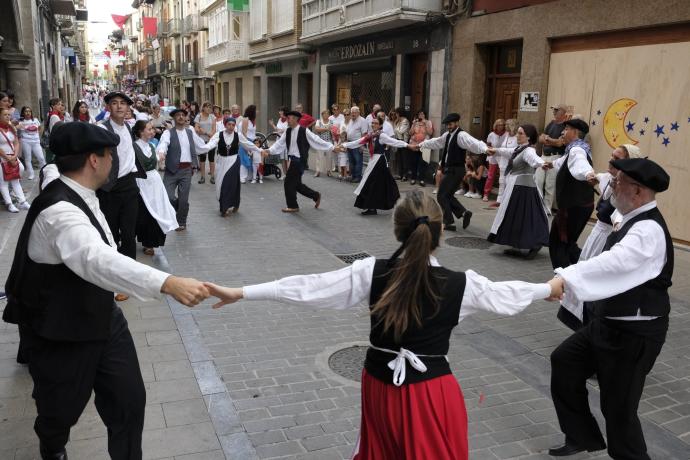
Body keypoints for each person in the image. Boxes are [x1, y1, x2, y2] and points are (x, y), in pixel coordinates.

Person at [203, 190, 563, 460]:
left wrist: (242, 291)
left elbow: (309, 287)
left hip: (379, 385)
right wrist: (547, 287)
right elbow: (508, 294)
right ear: (438, 235)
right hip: (431, 391)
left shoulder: (370, 272)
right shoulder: (463, 283)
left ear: (396, 231)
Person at [2, 121, 211, 460]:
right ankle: (52, 446)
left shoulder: (76, 187)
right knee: (60, 411)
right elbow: (95, 258)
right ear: (94, 161)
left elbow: (54, 171)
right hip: (62, 331)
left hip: (104, 320)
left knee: (129, 402)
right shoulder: (59, 213)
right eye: (110, 155)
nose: (115, 161)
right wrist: (168, 282)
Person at [546, 158, 672, 459]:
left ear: (638, 190)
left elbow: (615, 262)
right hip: (607, 323)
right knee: (564, 362)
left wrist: (567, 277)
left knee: (619, 409)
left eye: (618, 182)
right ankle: (581, 435)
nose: (612, 185)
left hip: (634, 332)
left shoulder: (648, 230)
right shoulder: (629, 214)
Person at [558, 144, 642, 330]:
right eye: (612, 156)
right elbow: (590, 174)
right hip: (597, 233)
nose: (611, 160)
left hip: (609, 237)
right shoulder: (606, 179)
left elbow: (623, 210)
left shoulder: (627, 188)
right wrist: (589, 175)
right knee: (585, 271)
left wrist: (618, 223)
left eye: (617, 158)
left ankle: (593, 320)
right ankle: (578, 318)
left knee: (596, 277)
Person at [96, 92, 147, 302]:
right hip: (109, 187)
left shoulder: (128, 127)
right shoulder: (101, 129)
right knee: (110, 235)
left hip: (129, 185)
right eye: (114, 103)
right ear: (108, 107)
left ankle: (127, 280)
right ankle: (111, 279)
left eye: (123, 104)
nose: (119, 107)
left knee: (128, 233)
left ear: (128, 108)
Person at [412, 113, 488, 231]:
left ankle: (449, 222)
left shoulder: (461, 135)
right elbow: (436, 142)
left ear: (457, 123)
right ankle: (464, 213)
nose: (449, 126)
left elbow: (473, 143)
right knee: (447, 195)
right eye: (447, 124)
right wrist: (421, 144)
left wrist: (485, 149)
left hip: (456, 170)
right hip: (450, 169)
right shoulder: (447, 135)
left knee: (441, 195)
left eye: (451, 124)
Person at [487, 124, 549, 258]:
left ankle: (532, 243)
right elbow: (507, 151)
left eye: (521, 133)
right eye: (518, 133)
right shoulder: (519, 149)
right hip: (517, 187)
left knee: (523, 217)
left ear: (528, 136)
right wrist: (495, 150)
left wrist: (542, 164)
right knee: (517, 216)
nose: (517, 135)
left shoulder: (528, 151)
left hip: (523, 189)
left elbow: (534, 159)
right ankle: (519, 244)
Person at [545, 118, 596, 270]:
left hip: (573, 207)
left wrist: (588, 174)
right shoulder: (577, 148)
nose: (562, 132)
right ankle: (584, 270)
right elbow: (565, 161)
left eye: (566, 129)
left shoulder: (577, 150)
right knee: (568, 243)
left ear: (575, 132)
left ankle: (563, 281)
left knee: (558, 243)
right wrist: (552, 164)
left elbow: (580, 163)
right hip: (580, 205)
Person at [338, 115, 409, 215]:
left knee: (379, 184)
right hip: (373, 161)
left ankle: (388, 204)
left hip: (379, 162)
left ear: (380, 125)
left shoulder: (382, 135)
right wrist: (344, 145)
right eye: (372, 123)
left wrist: (407, 145)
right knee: (378, 184)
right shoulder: (370, 136)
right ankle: (374, 207)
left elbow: (394, 142)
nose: (373, 124)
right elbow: (358, 142)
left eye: (376, 123)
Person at [262, 111, 331, 213]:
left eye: (289, 118)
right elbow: (280, 143)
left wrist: (332, 147)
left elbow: (316, 140)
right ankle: (315, 195)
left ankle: (293, 206)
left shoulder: (304, 131)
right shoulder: (288, 131)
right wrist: (270, 150)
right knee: (296, 184)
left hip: (299, 161)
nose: (287, 120)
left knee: (288, 182)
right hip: (293, 159)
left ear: (295, 119)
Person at [156, 108, 212, 231]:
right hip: (171, 170)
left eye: (183, 115)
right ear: (174, 118)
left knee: (183, 199)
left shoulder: (190, 132)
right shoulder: (168, 133)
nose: (181, 117)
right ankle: (178, 208)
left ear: (186, 118)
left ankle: (181, 221)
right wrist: (161, 152)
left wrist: (214, 142)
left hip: (186, 170)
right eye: (178, 115)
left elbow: (201, 146)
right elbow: (163, 144)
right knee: (168, 197)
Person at [132, 120, 177, 256]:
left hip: (155, 183)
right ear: (141, 132)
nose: (152, 131)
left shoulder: (151, 146)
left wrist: (160, 157)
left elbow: (155, 157)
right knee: (145, 213)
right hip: (141, 183)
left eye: (152, 129)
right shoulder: (133, 147)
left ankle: (152, 241)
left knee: (157, 210)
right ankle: (147, 243)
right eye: (149, 129)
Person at [199, 116, 261, 216]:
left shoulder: (238, 135)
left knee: (229, 184)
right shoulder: (218, 135)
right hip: (222, 162)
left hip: (233, 161)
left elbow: (249, 144)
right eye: (229, 124)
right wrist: (201, 149)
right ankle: (233, 203)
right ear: (225, 125)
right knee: (221, 184)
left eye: (233, 125)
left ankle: (225, 207)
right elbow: (211, 144)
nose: (231, 127)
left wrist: (260, 150)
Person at [536, 104, 568, 211]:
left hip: (555, 157)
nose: (554, 112)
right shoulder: (551, 123)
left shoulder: (566, 126)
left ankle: (547, 208)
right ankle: (538, 205)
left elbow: (560, 143)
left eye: (556, 110)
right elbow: (540, 138)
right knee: (538, 181)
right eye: (553, 109)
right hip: (543, 156)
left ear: (563, 112)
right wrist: (549, 139)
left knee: (550, 184)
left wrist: (548, 139)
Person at [0, 108, 30, 212]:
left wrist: (15, 155)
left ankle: (22, 202)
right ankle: (9, 204)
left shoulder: (11, 127)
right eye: (5, 115)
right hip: (2, 158)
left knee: (16, 179)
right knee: (3, 182)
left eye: (9, 115)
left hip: (13, 156)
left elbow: (16, 142)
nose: (8, 117)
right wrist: (8, 158)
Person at [17, 106, 46, 180]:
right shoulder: (21, 121)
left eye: (29, 111)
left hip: (36, 141)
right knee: (28, 158)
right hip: (26, 141)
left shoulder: (35, 120)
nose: (28, 113)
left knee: (41, 158)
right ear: (23, 112)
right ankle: (31, 174)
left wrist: (37, 135)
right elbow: (17, 128)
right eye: (26, 111)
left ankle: (45, 172)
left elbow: (39, 127)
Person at [483, 119, 507, 202]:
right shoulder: (491, 134)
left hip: (502, 156)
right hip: (493, 156)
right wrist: (489, 152)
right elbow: (488, 145)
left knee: (503, 176)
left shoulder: (507, 134)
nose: (501, 126)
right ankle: (486, 194)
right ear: (496, 126)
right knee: (491, 175)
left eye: (502, 125)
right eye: (499, 125)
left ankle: (503, 195)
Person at [408, 110, 433, 186]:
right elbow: (410, 133)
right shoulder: (415, 123)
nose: (421, 116)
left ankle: (422, 180)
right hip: (414, 145)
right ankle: (413, 178)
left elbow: (430, 133)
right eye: (419, 114)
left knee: (423, 162)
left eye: (422, 114)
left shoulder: (428, 122)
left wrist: (425, 124)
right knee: (414, 162)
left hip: (424, 145)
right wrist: (413, 124)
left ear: (425, 115)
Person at [345, 107, 370, 183]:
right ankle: (353, 176)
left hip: (358, 145)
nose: (353, 114)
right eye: (352, 112)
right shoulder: (351, 120)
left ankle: (358, 177)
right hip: (350, 144)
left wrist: (362, 145)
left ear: (358, 113)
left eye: (355, 112)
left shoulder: (363, 121)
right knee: (351, 161)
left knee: (358, 161)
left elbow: (364, 134)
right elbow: (348, 132)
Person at [194, 102, 217, 184]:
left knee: (211, 158)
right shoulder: (199, 116)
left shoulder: (212, 116)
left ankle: (212, 176)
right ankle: (202, 177)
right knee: (202, 159)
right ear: (203, 108)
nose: (209, 109)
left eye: (210, 107)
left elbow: (214, 128)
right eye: (207, 107)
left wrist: (212, 135)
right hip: (202, 141)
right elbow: (196, 128)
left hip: (211, 140)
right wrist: (207, 133)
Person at [313, 110, 333, 177]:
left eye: (327, 114)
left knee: (329, 157)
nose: (326, 115)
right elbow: (317, 129)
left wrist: (322, 129)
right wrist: (327, 129)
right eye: (324, 114)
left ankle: (329, 171)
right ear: (322, 115)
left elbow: (332, 131)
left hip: (329, 141)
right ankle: (318, 171)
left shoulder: (331, 122)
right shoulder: (318, 121)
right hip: (320, 141)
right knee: (319, 156)